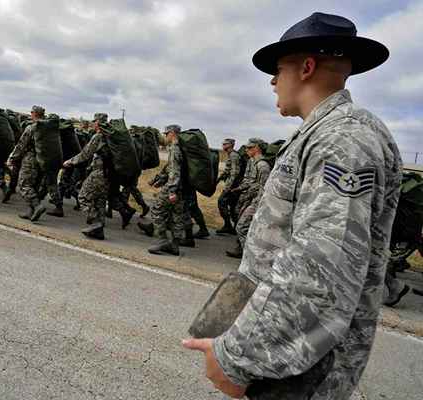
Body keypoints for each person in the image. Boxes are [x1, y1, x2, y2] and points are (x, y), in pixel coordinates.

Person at [183, 12, 401, 399]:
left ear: (306, 67)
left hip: (299, 367)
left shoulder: (343, 139)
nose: (271, 80)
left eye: (277, 69)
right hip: (284, 356)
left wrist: (237, 357)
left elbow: (319, 271)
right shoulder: (319, 134)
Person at [62, 113, 111, 240]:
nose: (93, 123)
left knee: (83, 197)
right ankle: (99, 231)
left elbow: (85, 154)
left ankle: (96, 223)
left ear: (98, 123)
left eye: (94, 121)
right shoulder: (111, 136)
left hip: (99, 172)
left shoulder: (98, 136)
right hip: (109, 173)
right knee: (100, 201)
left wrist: (70, 161)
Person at [137, 125, 184, 255]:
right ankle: (175, 245)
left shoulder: (175, 148)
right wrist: (160, 179)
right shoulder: (182, 147)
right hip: (182, 188)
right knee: (176, 216)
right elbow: (170, 168)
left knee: (157, 209)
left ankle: (162, 240)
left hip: (173, 187)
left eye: (166, 133)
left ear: (172, 133)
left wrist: (172, 190)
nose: (165, 136)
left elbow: (174, 170)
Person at [225, 138, 270, 259]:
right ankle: (240, 249)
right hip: (248, 197)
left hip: (256, 201)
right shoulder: (253, 162)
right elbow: (250, 181)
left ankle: (249, 257)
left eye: (250, 148)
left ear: (257, 149)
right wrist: (239, 189)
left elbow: (264, 189)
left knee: (242, 226)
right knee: (241, 223)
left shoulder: (263, 166)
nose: (246, 150)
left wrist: (256, 206)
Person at [216, 138, 241, 235]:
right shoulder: (230, 155)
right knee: (233, 206)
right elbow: (227, 171)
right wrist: (218, 179)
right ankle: (235, 227)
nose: (223, 146)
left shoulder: (234, 156)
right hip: (233, 186)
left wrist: (228, 188)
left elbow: (234, 173)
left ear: (230, 145)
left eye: (225, 144)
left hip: (233, 186)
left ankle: (228, 226)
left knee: (221, 202)